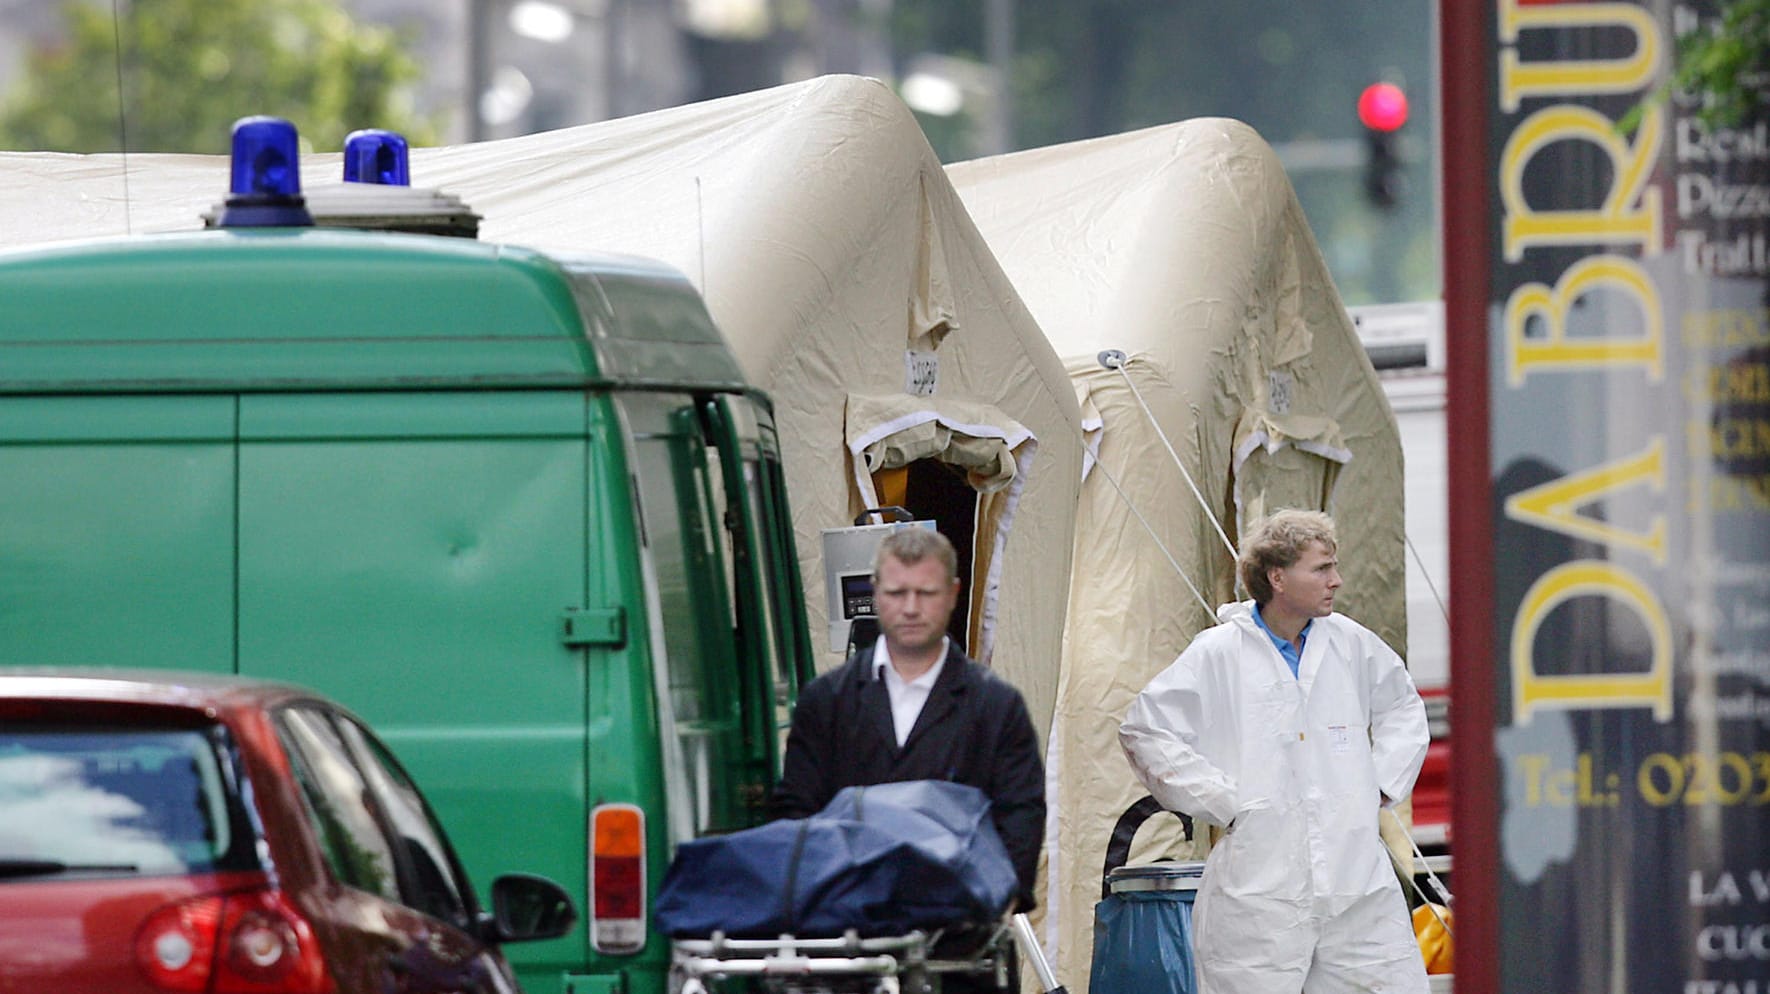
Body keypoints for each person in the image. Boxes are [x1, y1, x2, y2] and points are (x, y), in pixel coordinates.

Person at [1119, 509, 1430, 994]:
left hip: (1356, 884)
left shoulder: (1351, 644)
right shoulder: (1218, 653)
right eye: (1322, 568)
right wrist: (1226, 802)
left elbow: (1403, 709)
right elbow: (1145, 730)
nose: (1337, 581)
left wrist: (1379, 785)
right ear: (1278, 577)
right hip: (1259, 888)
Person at [770, 526, 1046, 916]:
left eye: (926, 593)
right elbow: (796, 812)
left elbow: (1021, 814)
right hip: (848, 936)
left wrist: (998, 901)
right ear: (876, 592)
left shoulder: (996, 705)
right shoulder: (826, 701)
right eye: (898, 593)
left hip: (962, 944)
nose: (911, 608)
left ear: (952, 594)